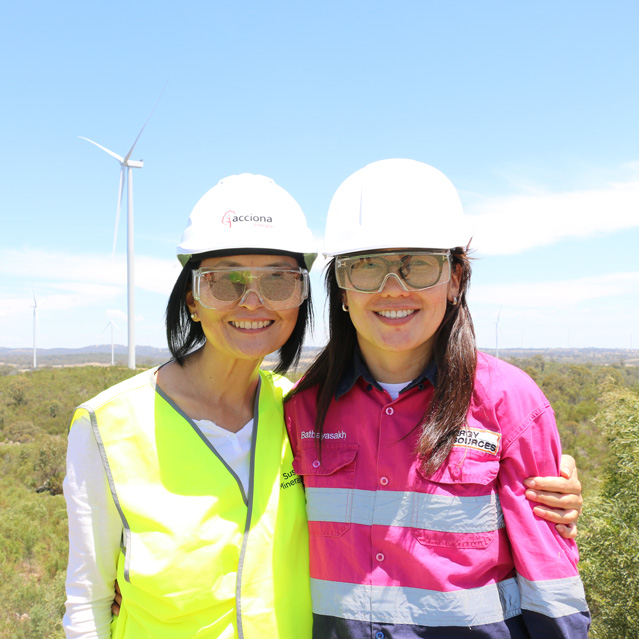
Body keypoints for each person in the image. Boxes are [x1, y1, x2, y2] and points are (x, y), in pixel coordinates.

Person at [285, 159, 590, 638]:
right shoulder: (300, 409)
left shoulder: (509, 401)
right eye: (366, 266)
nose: (393, 288)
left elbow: (550, 582)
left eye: (417, 265)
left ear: (455, 278)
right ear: (341, 287)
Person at [63, 174, 316, 638]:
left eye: (279, 281)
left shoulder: (306, 413)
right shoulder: (107, 424)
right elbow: (87, 601)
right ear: (193, 300)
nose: (253, 301)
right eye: (226, 282)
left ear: (301, 297)